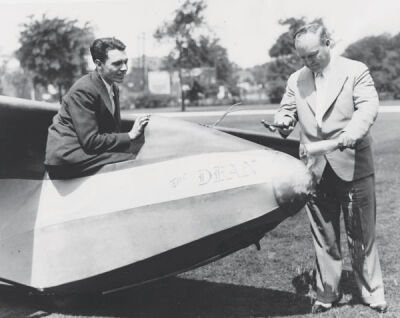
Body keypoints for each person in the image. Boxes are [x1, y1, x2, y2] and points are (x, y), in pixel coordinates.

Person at [273, 23, 387, 314]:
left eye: (313, 54)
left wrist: (353, 132)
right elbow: (286, 110)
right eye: (303, 58)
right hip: (315, 168)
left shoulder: (355, 70)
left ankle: (372, 292)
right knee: (324, 236)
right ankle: (327, 293)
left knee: (361, 234)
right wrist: (283, 121)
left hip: (353, 165)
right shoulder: (297, 79)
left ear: (327, 42)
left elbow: (368, 107)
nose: (309, 62)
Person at [44, 37, 150, 178]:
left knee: (141, 152)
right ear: (99, 64)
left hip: (85, 150)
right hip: (68, 157)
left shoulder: (112, 86)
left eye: (125, 62)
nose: (124, 68)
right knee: (133, 160)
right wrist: (130, 135)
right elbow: (91, 141)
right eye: (117, 63)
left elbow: (111, 130)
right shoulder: (84, 90)